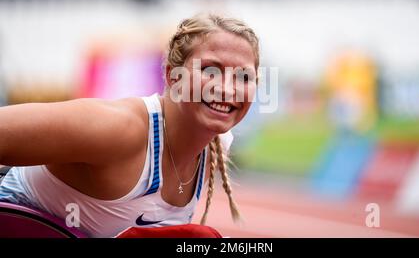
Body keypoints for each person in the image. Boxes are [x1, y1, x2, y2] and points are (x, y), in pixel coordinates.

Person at [0, 14, 260, 238]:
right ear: (172, 76)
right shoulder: (117, 129)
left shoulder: (216, 143)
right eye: (210, 71)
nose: (227, 89)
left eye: (244, 76)